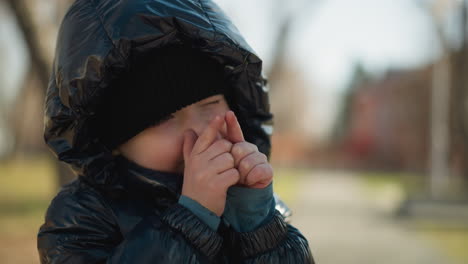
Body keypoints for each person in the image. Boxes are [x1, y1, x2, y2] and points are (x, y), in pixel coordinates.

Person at [37, 0, 315, 263]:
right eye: (161, 119)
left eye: (210, 104)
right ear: (114, 143)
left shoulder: (251, 200)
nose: (197, 131)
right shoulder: (78, 218)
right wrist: (190, 222)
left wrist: (261, 229)